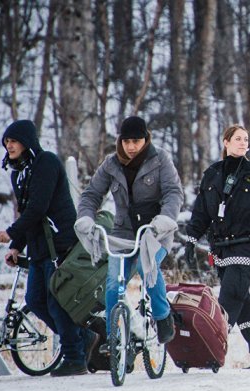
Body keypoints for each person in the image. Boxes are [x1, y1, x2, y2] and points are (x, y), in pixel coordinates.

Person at [0, 120, 98, 376]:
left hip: (60, 245)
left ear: (27, 142)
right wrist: (17, 246)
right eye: (6, 142)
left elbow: (39, 207)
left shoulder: (46, 163)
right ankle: (83, 337)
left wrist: (11, 233)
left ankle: (75, 356)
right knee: (35, 300)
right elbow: (28, 212)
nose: (9, 146)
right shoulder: (18, 173)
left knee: (57, 302)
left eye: (14, 141)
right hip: (40, 248)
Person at [75, 116, 183, 352]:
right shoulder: (111, 164)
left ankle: (163, 316)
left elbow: (173, 193)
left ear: (146, 140)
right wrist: (85, 218)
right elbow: (91, 194)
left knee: (147, 270)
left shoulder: (160, 159)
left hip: (154, 232)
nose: (131, 146)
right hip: (123, 234)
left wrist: (164, 220)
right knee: (114, 284)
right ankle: (115, 340)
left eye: (136, 141)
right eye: (127, 141)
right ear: (120, 142)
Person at [184, 124, 250, 369]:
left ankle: (210, 347)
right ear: (226, 142)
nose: (243, 143)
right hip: (220, 247)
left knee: (230, 296)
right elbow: (201, 212)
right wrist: (190, 240)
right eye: (238, 139)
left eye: (246, 139)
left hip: (245, 246)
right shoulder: (212, 174)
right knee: (241, 302)